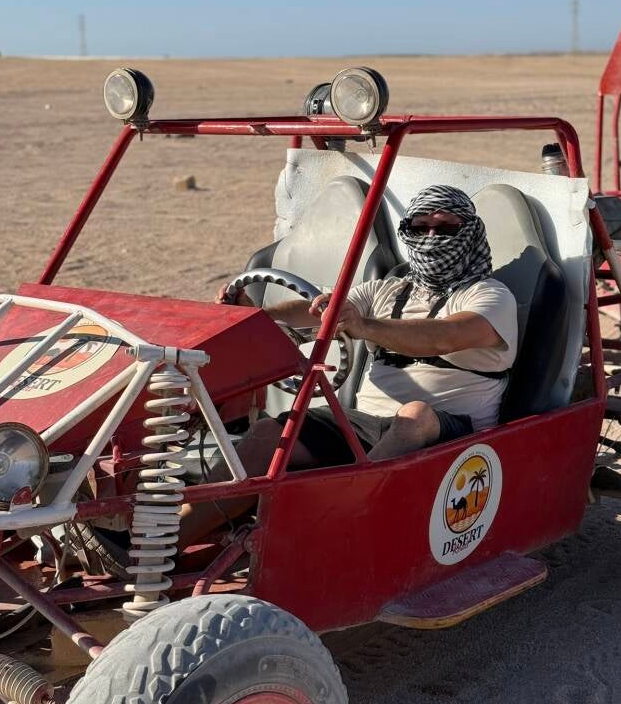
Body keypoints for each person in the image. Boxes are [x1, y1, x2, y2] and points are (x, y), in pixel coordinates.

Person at [179, 185, 517, 545]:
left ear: (469, 233)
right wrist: (254, 315)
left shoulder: (491, 295)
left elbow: (446, 337)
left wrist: (365, 326)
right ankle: (165, 542)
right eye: (421, 228)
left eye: (446, 228)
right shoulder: (386, 291)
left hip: (452, 433)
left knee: (416, 413)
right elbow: (317, 309)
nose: (432, 238)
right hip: (366, 425)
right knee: (268, 434)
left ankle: (333, 530)